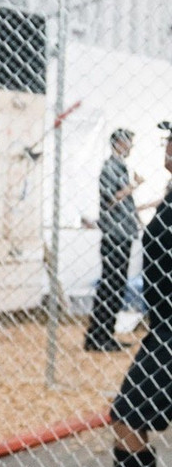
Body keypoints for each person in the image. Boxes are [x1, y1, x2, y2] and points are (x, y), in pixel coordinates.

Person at [79, 121, 172, 467]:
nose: (167, 146)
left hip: (169, 334)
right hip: (161, 328)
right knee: (126, 418)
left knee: (128, 416)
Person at [85, 128, 142, 351]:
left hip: (123, 233)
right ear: (119, 143)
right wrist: (134, 186)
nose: (131, 147)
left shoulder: (121, 167)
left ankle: (105, 334)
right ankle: (98, 336)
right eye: (129, 142)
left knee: (117, 286)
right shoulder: (110, 167)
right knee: (111, 286)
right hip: (114, 234)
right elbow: (110, 200)